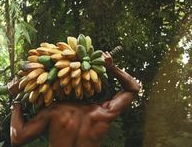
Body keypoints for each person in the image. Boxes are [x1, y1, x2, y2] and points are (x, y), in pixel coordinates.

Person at [8, 51, 141, 147]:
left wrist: (16, 100)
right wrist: (111, 67)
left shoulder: (53, 112)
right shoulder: (104, 112)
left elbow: (17, 138)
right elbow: (133, 88)